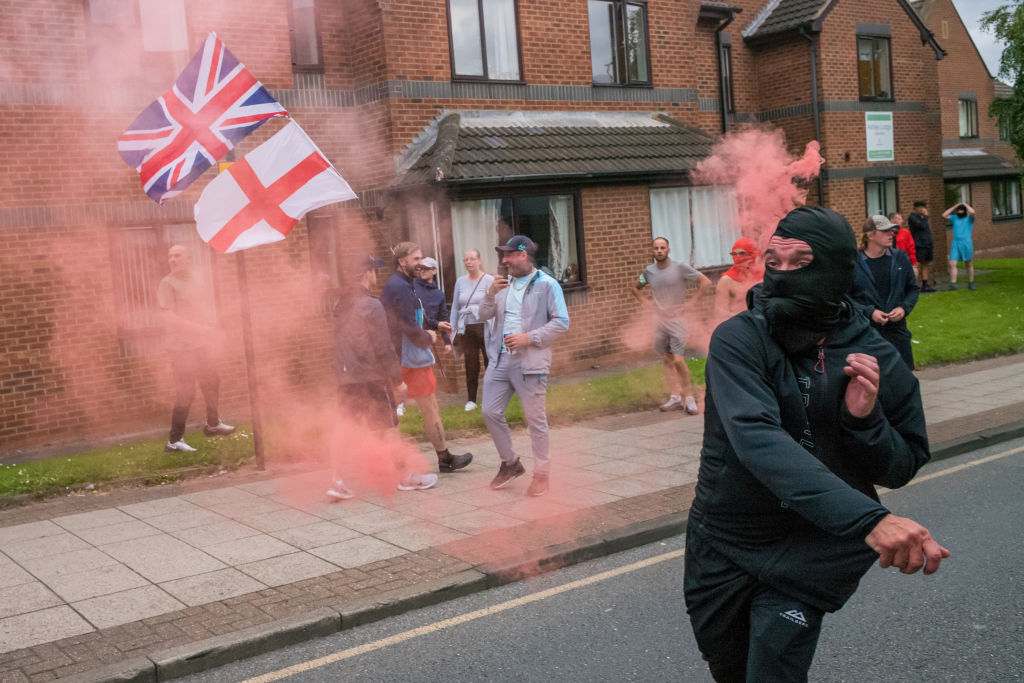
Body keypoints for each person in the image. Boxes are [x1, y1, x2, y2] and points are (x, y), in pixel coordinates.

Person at [684, 206, 948, 683]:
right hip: (725, 539)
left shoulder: (875, 353)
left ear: (833, 271)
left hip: (814, 546)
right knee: (729, 671)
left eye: (800, 263)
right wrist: (872, 520)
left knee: (772, 671)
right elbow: (756, 438)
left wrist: (862, 422)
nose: (781, 275)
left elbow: (903, 463)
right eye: (774, 261)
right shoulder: (738, 340)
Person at [327, 253, 436, 499]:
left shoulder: (340, 305)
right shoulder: (371, 305)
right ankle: (405, 477)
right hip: (371, 378)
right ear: (367, 274)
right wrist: (398, 382)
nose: (376, 274)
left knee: (345, 427)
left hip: (346, 378)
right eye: (374, 270)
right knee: (389, 428)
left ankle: (337, 480)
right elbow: (383, 347)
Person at [479, 236, 569, 497]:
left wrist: (529, 338)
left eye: (508, 255)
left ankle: (542, 474)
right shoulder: (500, 285)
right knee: (489, 411)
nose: (504, 260)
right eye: (503, 255)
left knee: (535, 420)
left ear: (523, 255)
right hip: (500, 360)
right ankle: (510, 464)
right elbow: (483, 316)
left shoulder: (547, 285)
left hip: (530, 362)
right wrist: (489, 294)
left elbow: (562, 322)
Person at [380, 242, 472, 474]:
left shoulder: (405, 284)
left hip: (404, 357)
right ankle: (439, 459)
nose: (421, 264)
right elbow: (407, 325)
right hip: (408, 359)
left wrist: (435, 324)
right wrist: (428, 338)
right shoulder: (400, 287)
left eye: (421, 259)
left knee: (399, 411)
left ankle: (432, 459)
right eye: (416, 259)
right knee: (422, 408)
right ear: (402, 262)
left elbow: (414, 317)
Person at [158, 244, 234, 452]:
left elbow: (203, 309)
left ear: (189, 259)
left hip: (200, 344)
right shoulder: (167, 284)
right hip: (180, 348)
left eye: (177, 255)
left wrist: (214, 329)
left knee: (212, 381)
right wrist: (199, 329)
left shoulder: (196, 280)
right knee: (186, 392)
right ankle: (174, 441)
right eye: (170, 256)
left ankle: (212, 424)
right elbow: (168, 318)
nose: (173, 259)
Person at [630, 237, 712, 414]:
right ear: (652, 251)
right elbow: (635, 288)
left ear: (668, 250)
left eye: (662, 248)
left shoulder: (680, 267)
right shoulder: (649, 271)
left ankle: (689, 397)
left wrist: (692, 302)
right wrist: (646, 303)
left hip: (677, 320)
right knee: (667, 359)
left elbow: (705, 282)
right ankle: (674, 397)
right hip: (659, 320)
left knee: (678, 359)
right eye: (656, 248)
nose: (659, 251)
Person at [849, 215, 920, 370]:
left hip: (897, 331)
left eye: (892, 230)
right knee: (874, 381)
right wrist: (869, 312)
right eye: (885, 231)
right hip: (867, 333)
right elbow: (845, 298)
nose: (891, 234)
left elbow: (913, 289)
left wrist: (903, 308)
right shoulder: (854, 262)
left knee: (905, 380)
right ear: (870, 235)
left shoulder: (900, 257)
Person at [449, 249, 495, 411]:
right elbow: (455, 307)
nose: (469, 262)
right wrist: (452, 329)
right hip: (466, 328)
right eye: (466, 259)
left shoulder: (489, 280)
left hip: (485, 326)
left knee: (490, 362)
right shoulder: (460, 282)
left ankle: (492, 397)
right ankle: (471, 400)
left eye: (472, 259)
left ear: (479, 261)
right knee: (471, 363)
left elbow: (495, 304)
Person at [714, 237, 764, 321]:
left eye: (742, 253)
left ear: (753, 254)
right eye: (734, 254)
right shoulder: (726, 280)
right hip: (739, 325)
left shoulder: (764, 275)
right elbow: (720, 313)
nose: (738, 257)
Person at [414, 256, 452, 351]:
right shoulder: (412, 288)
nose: (422, 271)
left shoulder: (439, 295)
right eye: (421, 268)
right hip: (413, 336)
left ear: (434, 271)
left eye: (426, 268)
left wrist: (447, 342)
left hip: (429, 339)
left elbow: (443, 318)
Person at [942, 200, 976, 290]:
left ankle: (971, 283)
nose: (959, 211)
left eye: (961, 210)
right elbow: (944, 215)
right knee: (952, 263)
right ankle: (953, 284)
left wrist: (964, 204)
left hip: (966, 243)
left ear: (964, 211)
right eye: (958, 210)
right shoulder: (955, 218)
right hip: (956, 243)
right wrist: (955, 206)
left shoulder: (969, 219)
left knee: (968, 263)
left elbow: (972, 211)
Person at [907, 201, 936, 292]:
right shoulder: (912, 217)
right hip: (919, 245)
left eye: (924, 207)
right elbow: (922, 226)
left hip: (927, 244)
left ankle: (925, 284)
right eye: (921, 207)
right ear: (916, 208)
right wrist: (926, 216)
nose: (923, 209)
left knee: (926, 264)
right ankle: (913, 285)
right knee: (917, 264)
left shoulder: (922, 217)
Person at [889, 211, 918, 280]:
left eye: (901, 219)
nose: (901, 221)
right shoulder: (886, 233)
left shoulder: (906, 233)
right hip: (890, 261)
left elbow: (911, 248)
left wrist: (914, 264)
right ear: (892, 220)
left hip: (903, 260)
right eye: (899, 219)